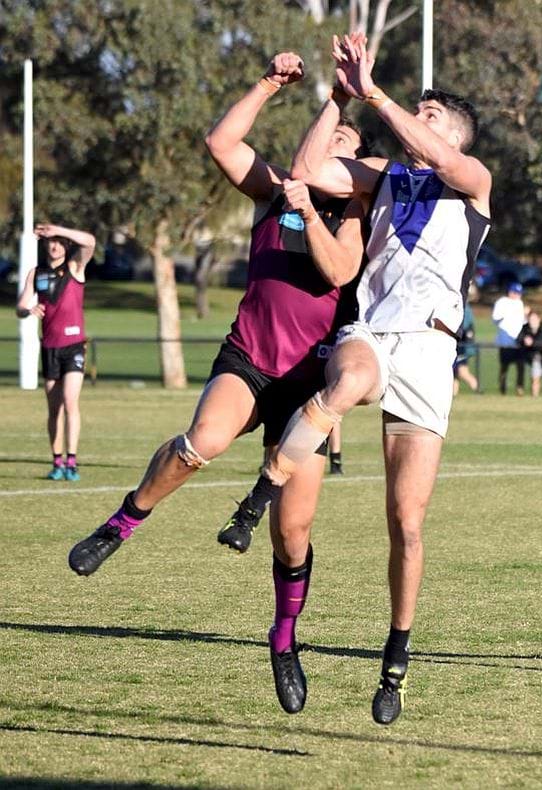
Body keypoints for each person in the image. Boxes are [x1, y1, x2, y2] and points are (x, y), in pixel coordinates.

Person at [66, 55, 369, 729]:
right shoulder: (276, 189)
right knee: (201, 441)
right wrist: (269, 84)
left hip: (307, 384)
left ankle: (284, 639)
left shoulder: (352, 210)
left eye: (345, 145)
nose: (333, 148)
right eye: (331, 140)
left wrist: (311, 206)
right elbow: (221, 145)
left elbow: (341, 268)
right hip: (251, 358)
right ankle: (122, 522)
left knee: (292, 533)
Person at [231, 31, 492, 724]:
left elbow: (443, 158)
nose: (420, 119)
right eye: (419, 112)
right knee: (343, 383)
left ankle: (396, 659)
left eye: (432, 115)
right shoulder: (381, 176)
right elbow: (309, 167)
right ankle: (258, 499)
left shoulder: (472, 183)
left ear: (455, 137)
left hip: (432, 355)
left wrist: (377, 92)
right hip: (372, 336)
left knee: (406, 523)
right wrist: (339, 95)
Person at [17, 223, 96, 482]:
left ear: (66, 245)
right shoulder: (35, 273)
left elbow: (90, 241)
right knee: (54, 409)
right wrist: (28, 310)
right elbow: (19, 307)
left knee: (71, 402)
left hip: (74, 346)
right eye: (51, 242)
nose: (54, 246)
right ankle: (57, 461)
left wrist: (58, 229)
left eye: (60, 242)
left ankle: (72, 462)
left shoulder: (75, 268)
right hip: (50, 348)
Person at [493, 282, 528, 395]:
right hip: (506, 336)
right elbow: (495, 318)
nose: (518, 295)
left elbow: (523, 320)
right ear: (510, 292)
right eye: (516, 293)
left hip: (518, 337)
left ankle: (520, 388)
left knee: (520, 364)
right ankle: (502, 388)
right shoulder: (502, 302)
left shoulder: (520, 303)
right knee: (505, 365)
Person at [519, 309, 542, 397]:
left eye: (534, 319)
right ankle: (534, 397)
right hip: (535, 357)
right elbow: (519, 339)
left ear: (539, 319)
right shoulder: (525, 328)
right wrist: (524, 341)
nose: (532, 321)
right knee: (535, 378)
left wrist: (533, 343)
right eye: (531, 319)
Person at [454, 300, 481, 395]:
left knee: (463, 372)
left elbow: (464, 327)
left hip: (462, 346)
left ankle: (478, 390)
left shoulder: (464, 306)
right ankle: (454, 395)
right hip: (456, 345)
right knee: (454, 374)